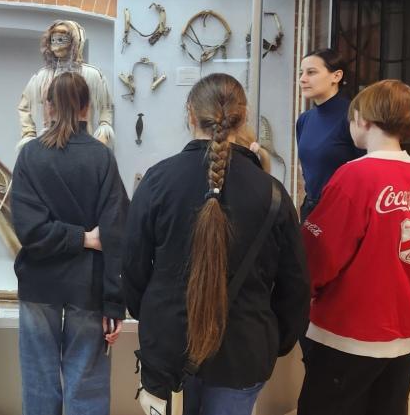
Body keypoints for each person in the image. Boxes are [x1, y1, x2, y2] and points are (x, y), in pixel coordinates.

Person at [124, 74, 309, 415]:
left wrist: (152, 318)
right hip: (245, 347)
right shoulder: (273, 193)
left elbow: (133, 267)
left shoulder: (157, 181)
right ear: (244, 116)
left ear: (190, 115)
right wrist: (274, 341)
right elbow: (294, 284)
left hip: (169, 344)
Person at [298, 79, 410, 415]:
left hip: (354, 325)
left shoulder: (355, 176)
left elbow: (321, 254)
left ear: (363, 119)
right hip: (408, 318)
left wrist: (301, 292)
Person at [10, 72, 129, 415]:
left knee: (38, 384)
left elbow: (30, 231)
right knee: (86, 386)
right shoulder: (102, 158)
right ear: (87, 108)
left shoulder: (30, 156)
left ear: (47, 107)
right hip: (87, 287)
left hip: (39, 284)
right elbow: (116, 235)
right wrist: (113, 303)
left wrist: (76, 238)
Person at [17, 19, 115, 149]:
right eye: (53, 39)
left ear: (75, 41)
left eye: (62, 39)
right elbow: (25, 106)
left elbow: (106, 106)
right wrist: (29, 134)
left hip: (83, 143)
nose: (57, 44)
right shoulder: (42, 76)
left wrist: (103, 133)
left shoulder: (92, 75)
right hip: (51, 143)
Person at [296, 48, 364, 221]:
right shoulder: (304, 120)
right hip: (311, 210)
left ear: (336, 76)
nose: (303, 79)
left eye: (311, 72)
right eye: (301, 73)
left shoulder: (353, 117)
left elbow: (368, 171)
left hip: (344, 213)